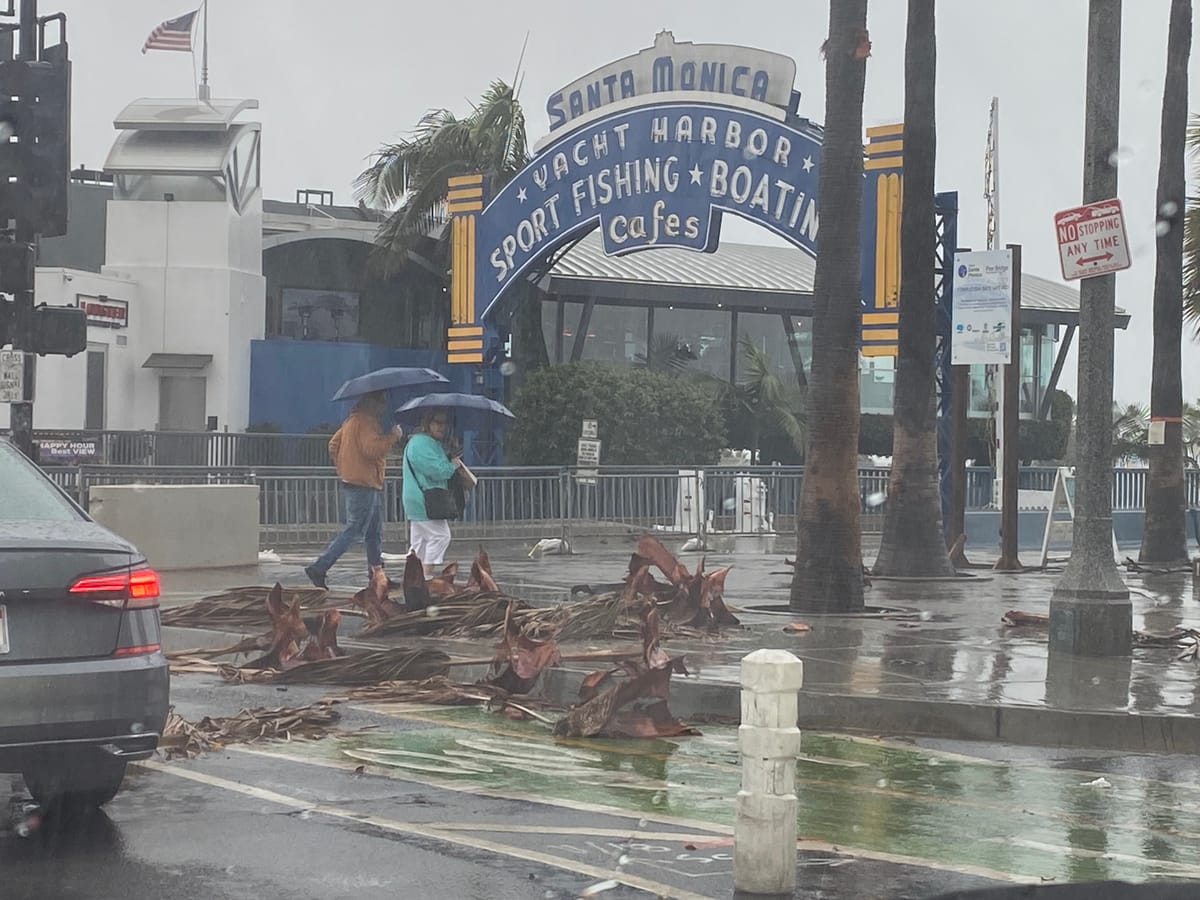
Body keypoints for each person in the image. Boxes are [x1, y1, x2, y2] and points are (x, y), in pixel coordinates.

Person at [304, 391, 402, 589]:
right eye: (382, 402)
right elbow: (371, 449)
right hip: (364, 483)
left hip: (356, 481)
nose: (384, 407)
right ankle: (320, 567)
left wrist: (344, 466)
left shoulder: (351, 421)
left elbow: (333, 444)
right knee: (354, 529)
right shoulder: (368, 422)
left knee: (374, 532)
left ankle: (377, 576)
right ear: (372, 403)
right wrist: (393, 436)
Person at [403, 408, 464, 577]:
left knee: (420, 542)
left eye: (444, 423)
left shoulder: (426, 443)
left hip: (418, 499)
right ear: (427, 423)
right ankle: (426, 575)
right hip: (424, 499)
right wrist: (452, 465)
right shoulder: (422, 444)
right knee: (441, 536)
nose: (441, 427)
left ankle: (413, 577)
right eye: (437, 422)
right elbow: (437, 470)